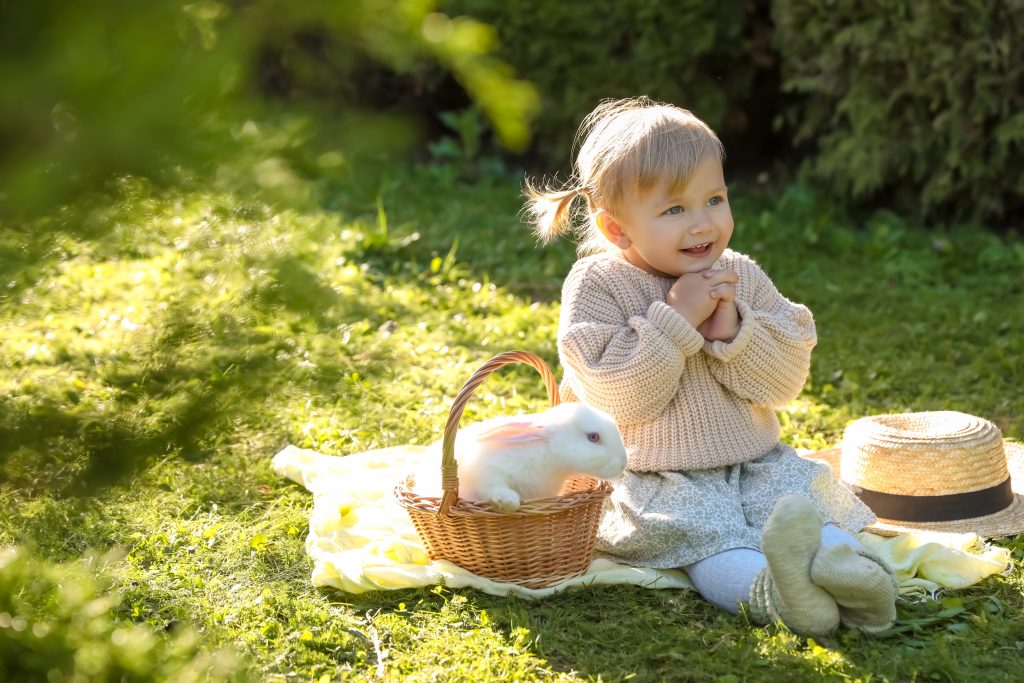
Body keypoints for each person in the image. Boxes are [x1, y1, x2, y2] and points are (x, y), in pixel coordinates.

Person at [524, 96, 898, 635]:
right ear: (617, 229)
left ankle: (856, 577)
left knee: (810, 514)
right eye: (674, 209)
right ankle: (782, 597)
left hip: (755, 462)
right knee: (712, 546)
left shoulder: (738, 274)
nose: (703, 224)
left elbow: (784, 383)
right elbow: (616, 398)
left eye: (715, 199)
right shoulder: (598, 285)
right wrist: (676, 324)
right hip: (664, 478)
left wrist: (734, 332)